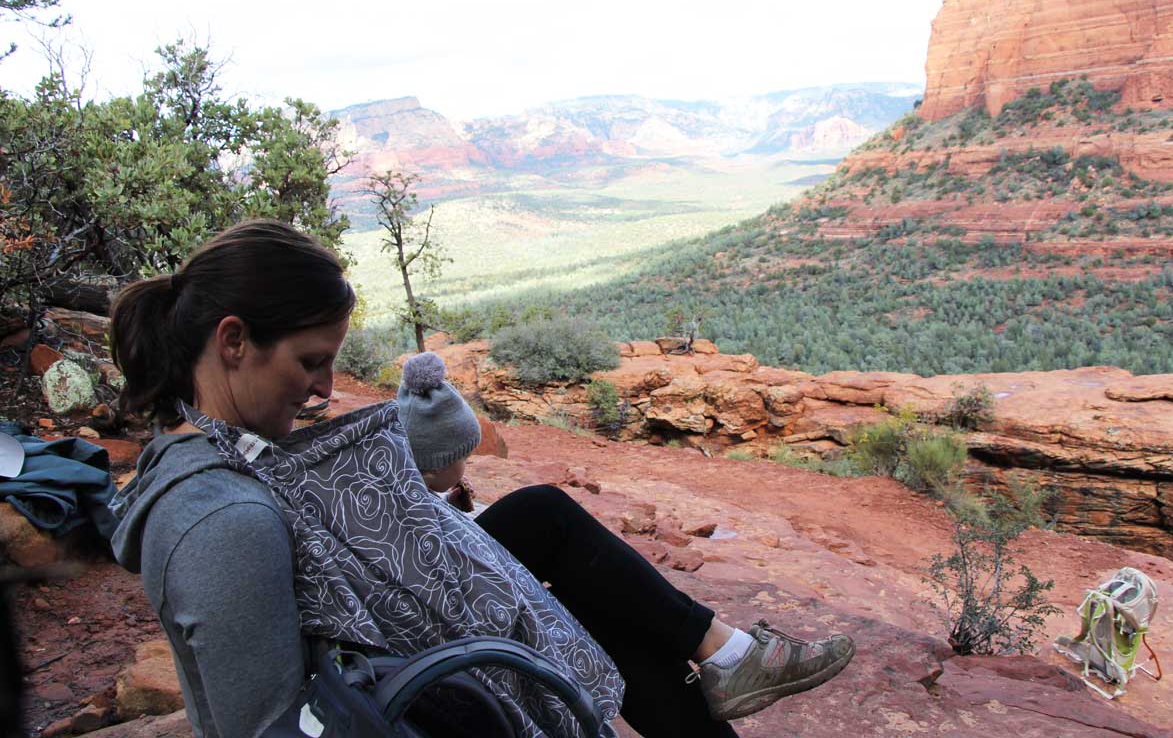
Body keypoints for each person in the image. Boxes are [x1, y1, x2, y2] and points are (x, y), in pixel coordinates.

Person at [107, 220, 853, 738]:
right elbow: (274, 727)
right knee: (587, 610)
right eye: (309, 362)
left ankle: (726, 657)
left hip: (402, 673)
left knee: (540, 525)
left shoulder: (213, 449)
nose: (325, 389)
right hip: (413, 703)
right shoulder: (222, 525)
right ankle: (728, 657)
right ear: (233, 342)